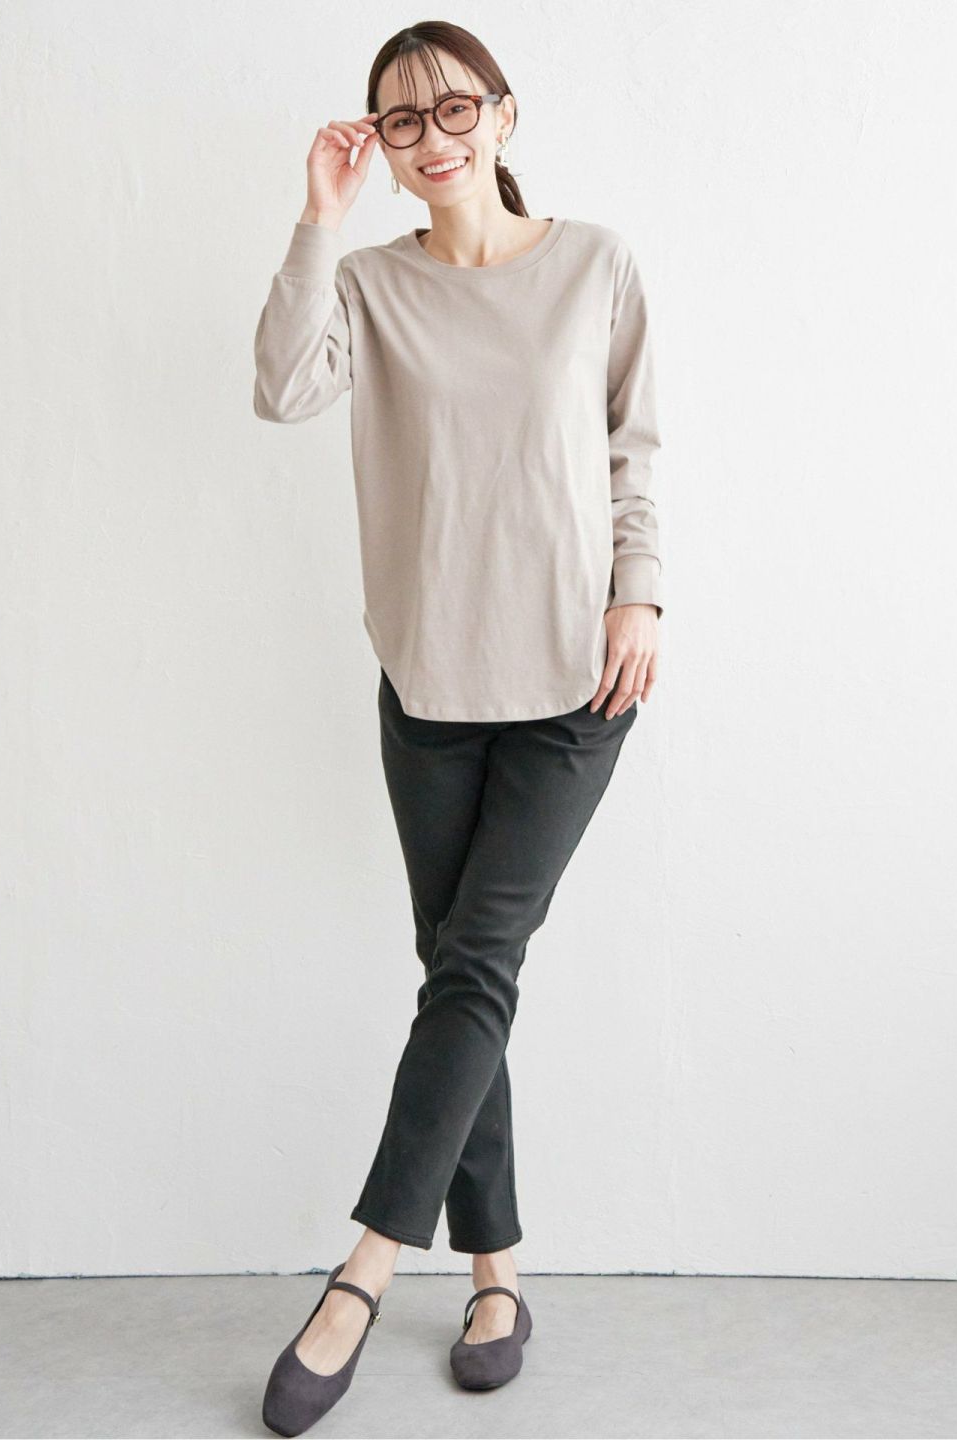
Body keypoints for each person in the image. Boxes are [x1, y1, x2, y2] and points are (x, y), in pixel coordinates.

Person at [252, 21, 663, 1436]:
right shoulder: (372, 285)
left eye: (454, 109)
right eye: (401, 121)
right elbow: (282, 387)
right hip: (429, 685)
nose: (432, 138)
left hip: (575, 684)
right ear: (381, 142)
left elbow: (634, 445)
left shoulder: (595, 264)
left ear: (503, 114)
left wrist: (641, 592)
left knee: (474, 965)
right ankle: (496, 1280)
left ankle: (359, 1278)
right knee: (461, 979)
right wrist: (320, 216)